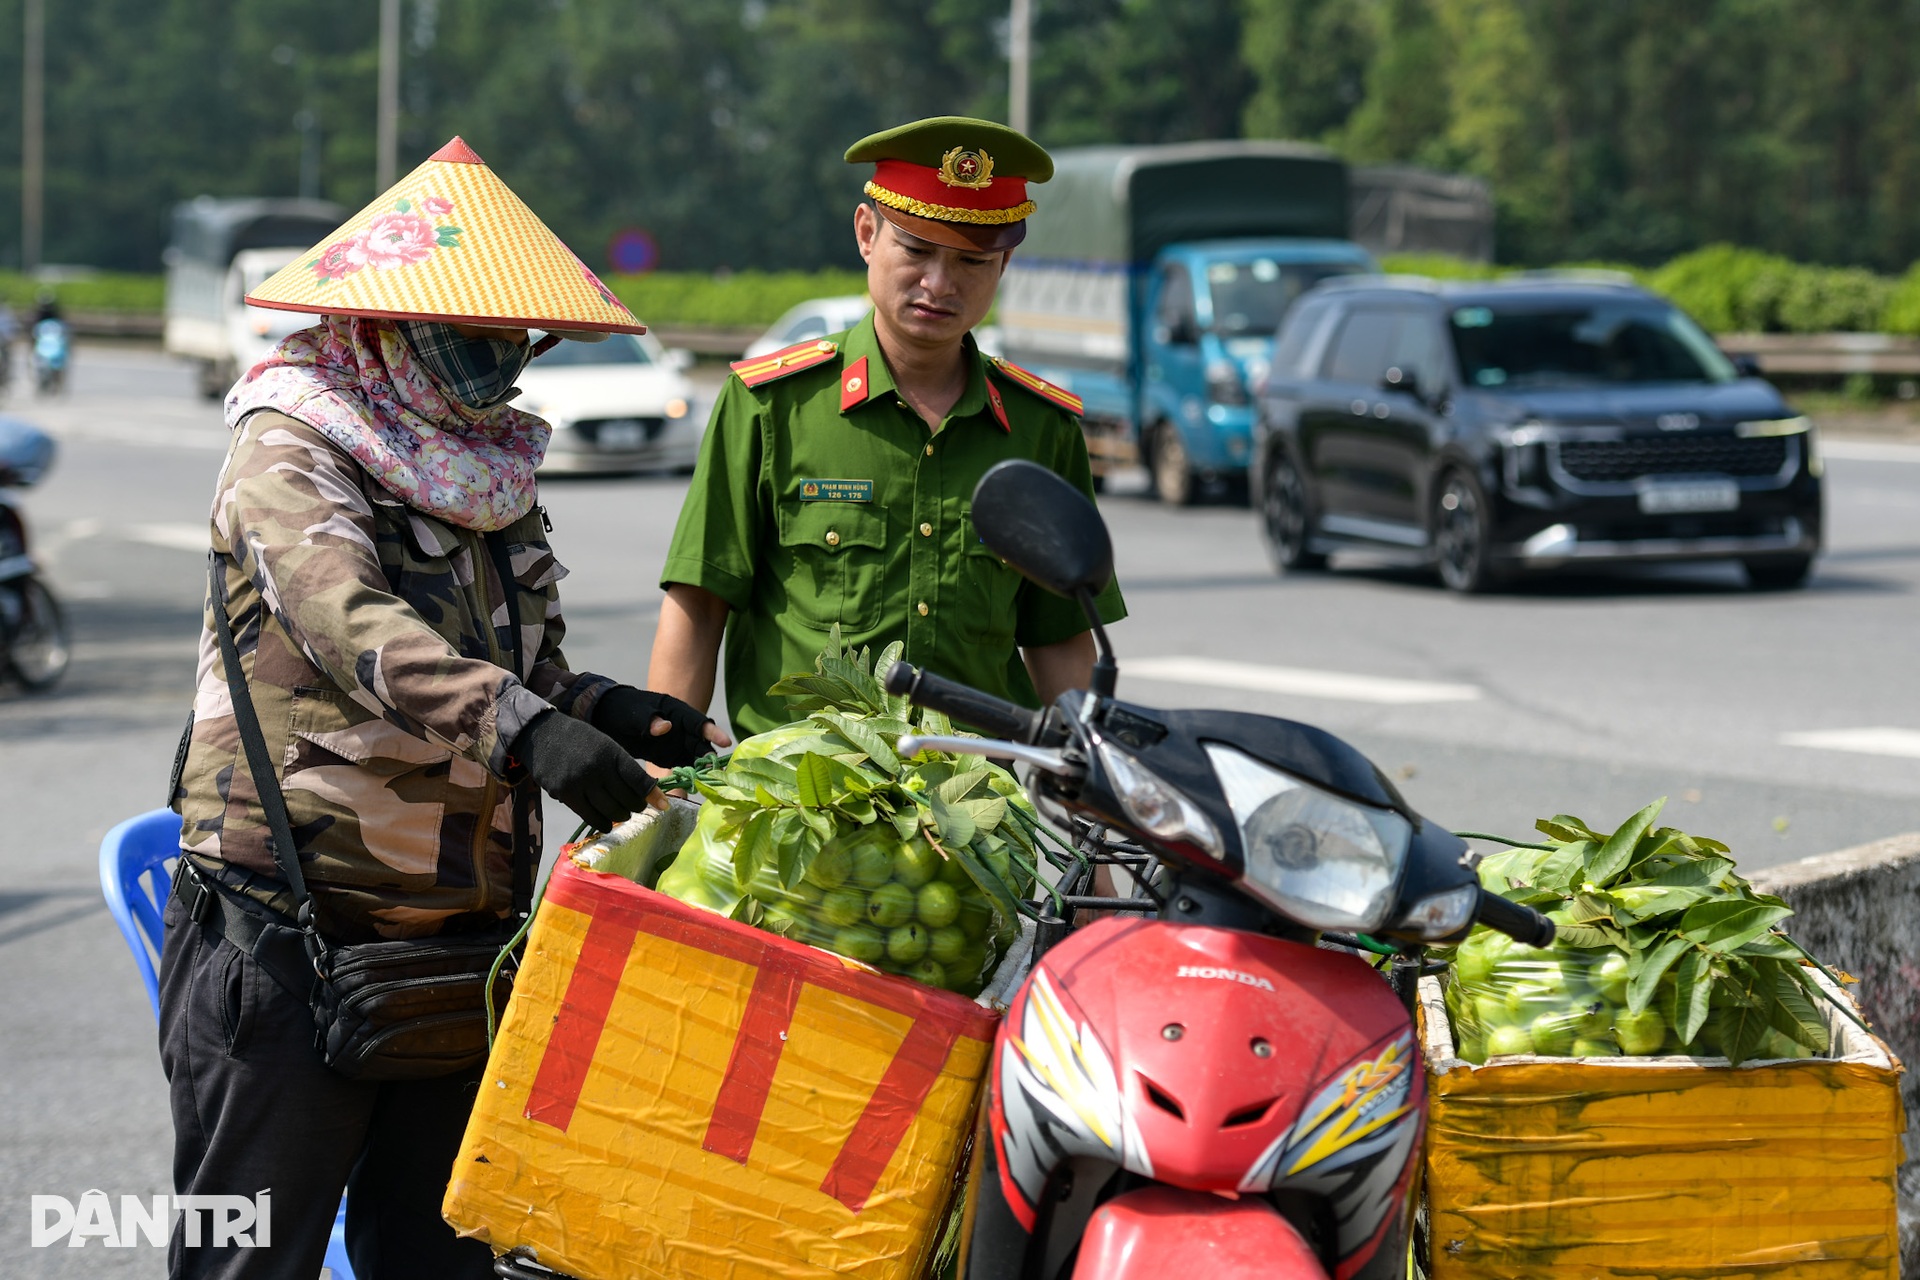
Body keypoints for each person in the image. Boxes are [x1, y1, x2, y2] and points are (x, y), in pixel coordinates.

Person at [164, 137, 720, 1280]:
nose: (501, 363)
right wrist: (531, 731)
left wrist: (608, 710)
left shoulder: (483, 470)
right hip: (290, 930)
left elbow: (529, 666)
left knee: (445, 1259)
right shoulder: (290, 442)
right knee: (250, 1260)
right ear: (384, 324)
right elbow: (350, 623)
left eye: (515, 339)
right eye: (473, 337)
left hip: (462, 939)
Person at [649, 117, 1125, 736]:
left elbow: (1059, 639)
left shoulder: (1041, 429)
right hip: (799, 803)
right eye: (917, 250)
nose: (939, 283)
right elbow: (699, 601)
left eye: (971, 260)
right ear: (867, 234)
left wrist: (1096, 782)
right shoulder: (771, 406)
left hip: (985, 806)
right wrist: (661, 768)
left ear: (1004, 264)